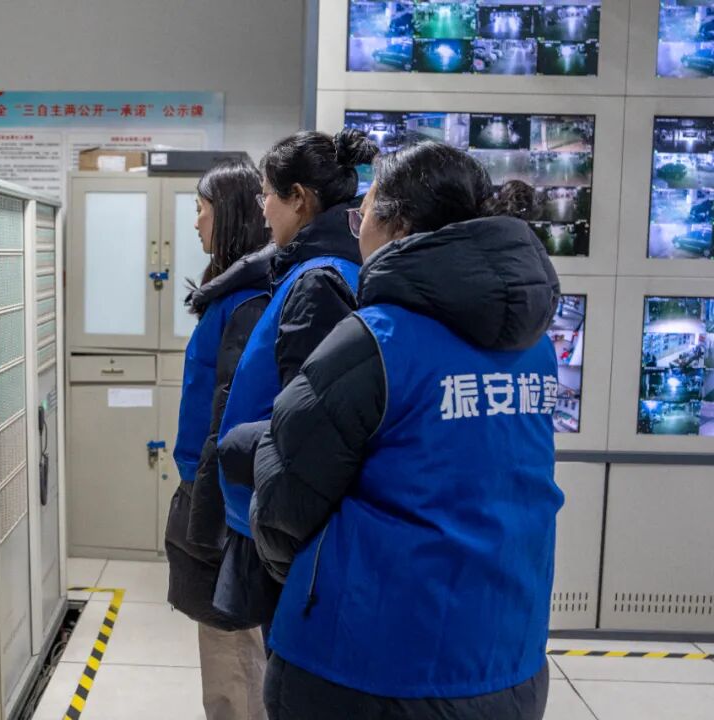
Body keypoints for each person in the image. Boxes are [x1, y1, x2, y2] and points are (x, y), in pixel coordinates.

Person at [252, 142, 563, 720]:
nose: (358, 228)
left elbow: (284, 499)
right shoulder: (536, 347)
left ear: (396, 225)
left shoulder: (375, 340)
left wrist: (307, 579)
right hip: (507, 656)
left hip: (367, 669)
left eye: (364, 212)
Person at [214, 129, 378, 631]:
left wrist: (239, 449)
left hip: (281, 517)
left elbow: (306, 428)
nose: (262, 209)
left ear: (299, 199)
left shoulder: (318, 282)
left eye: (266, 194)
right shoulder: (325, 269)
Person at [164, 160, 274, 720]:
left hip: (227, 497)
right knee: (228, 644)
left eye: (201, 210)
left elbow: (231, 416)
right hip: (214, 486)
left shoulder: (247, 302)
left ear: (228, 215)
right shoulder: (234, 294)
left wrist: (207, 504)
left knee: (234, 650)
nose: (195, 223)